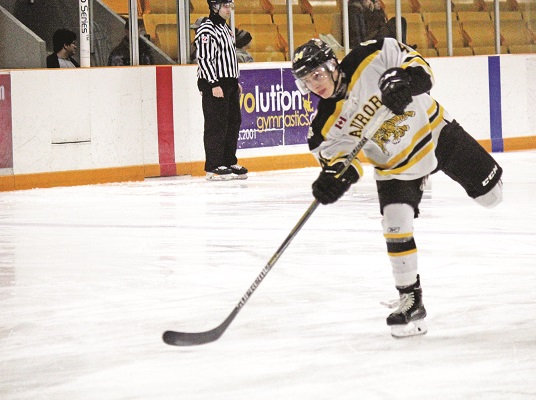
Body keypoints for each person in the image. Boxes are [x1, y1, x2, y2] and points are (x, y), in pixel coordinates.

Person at [291, 39, 503, 338]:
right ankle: (410, 299)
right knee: (394, 225)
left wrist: (405, 80)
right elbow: (344, 163)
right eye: (307, 81)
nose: (315, 85)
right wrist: (334, 179)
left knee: (492, 197)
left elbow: (422, 71)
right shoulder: (322, 128)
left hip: (435, 134)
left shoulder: (373, 53)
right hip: (396, 168)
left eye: (317, 75)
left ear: (332, 65)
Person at [194, 0, 248, 180]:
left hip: (229, 83)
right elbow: (205, 59)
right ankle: (213, 166)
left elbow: (229, 58)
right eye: (226, 6)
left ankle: (228, 161)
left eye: (230, 6)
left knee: (233, 122)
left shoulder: (226, 29)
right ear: (215, 7)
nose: (229, 10)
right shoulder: (206, 29)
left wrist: (234, 81)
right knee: (216, 125)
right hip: (215, 83)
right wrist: (213, 84)